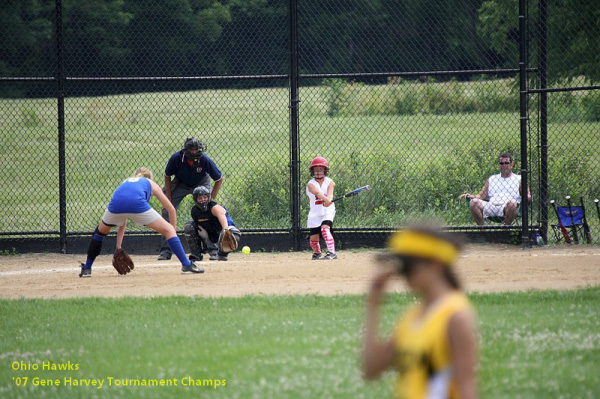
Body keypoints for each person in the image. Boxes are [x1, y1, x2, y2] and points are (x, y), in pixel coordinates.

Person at [362, 225, 478, 399]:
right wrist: (374, 302)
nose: (403, 275)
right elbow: (371, 369)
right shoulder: (413, 317)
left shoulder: (455, 316)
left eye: (407, 267)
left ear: (435, 263)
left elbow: (466, 390)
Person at [79, 167, 204, 277]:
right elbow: (171, 209)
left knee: (99, 234)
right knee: (169, 230)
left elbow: (123, 220)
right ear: (150, 177)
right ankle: (186, 265)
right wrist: (172, 231)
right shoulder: (150, 183)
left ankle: (87, 268)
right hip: (137, 205)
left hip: (115, 206)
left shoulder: (126, 182)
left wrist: (119, 247)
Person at [157, 137, 224, 260]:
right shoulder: (176, 158)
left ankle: (213, 249)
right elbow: (167, 176)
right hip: (180, 183)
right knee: (167, 211)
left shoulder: (204, 160)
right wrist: (168, 200)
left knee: (207, 210)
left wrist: (212, 200)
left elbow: (219, 179)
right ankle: (166, 251)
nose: (194, 153)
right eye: (191, 150)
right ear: (185, 151)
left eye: (197, 150)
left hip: (201, 182)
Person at [460, 152, 532, 225]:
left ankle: (506, 230)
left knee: (512, 203)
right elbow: (482, 196)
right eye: (501, 163)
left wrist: (528, 197)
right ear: (499, 165)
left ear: (511, 165)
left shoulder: (519, 178)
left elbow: (528, 195)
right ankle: (482, 231)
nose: (504, 165)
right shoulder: (492, 178)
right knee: (473, 202)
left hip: (507, 207)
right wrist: (471, 196)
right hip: (491, 206)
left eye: (506, 163)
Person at [184, 186, 241, 262]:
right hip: (210, 233)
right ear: (195, 200)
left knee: (234, 232)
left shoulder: (214, 207)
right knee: (189, 226)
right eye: (200, 198)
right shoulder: (195, 211)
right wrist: (205, 237)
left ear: (209, 197)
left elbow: (222, 218)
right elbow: (198, 227)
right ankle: (196, 254)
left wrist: (225, 231)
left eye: (205, 197)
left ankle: (222, 254)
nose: (203, 200)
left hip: (222, 230)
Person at [306, 157, 337, 260]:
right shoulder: (310, 184)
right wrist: (326, 200)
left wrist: (329, 200)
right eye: (316, 170)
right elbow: (317, 193)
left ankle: (332, 253)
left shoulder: (330, 182)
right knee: (313, 239)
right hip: (315, 213)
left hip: (327, 211)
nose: (318, 172)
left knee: (325, 229)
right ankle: (317, 253)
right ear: (312, 171)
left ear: (325, 171)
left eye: (321, 169)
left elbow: (330, 194)